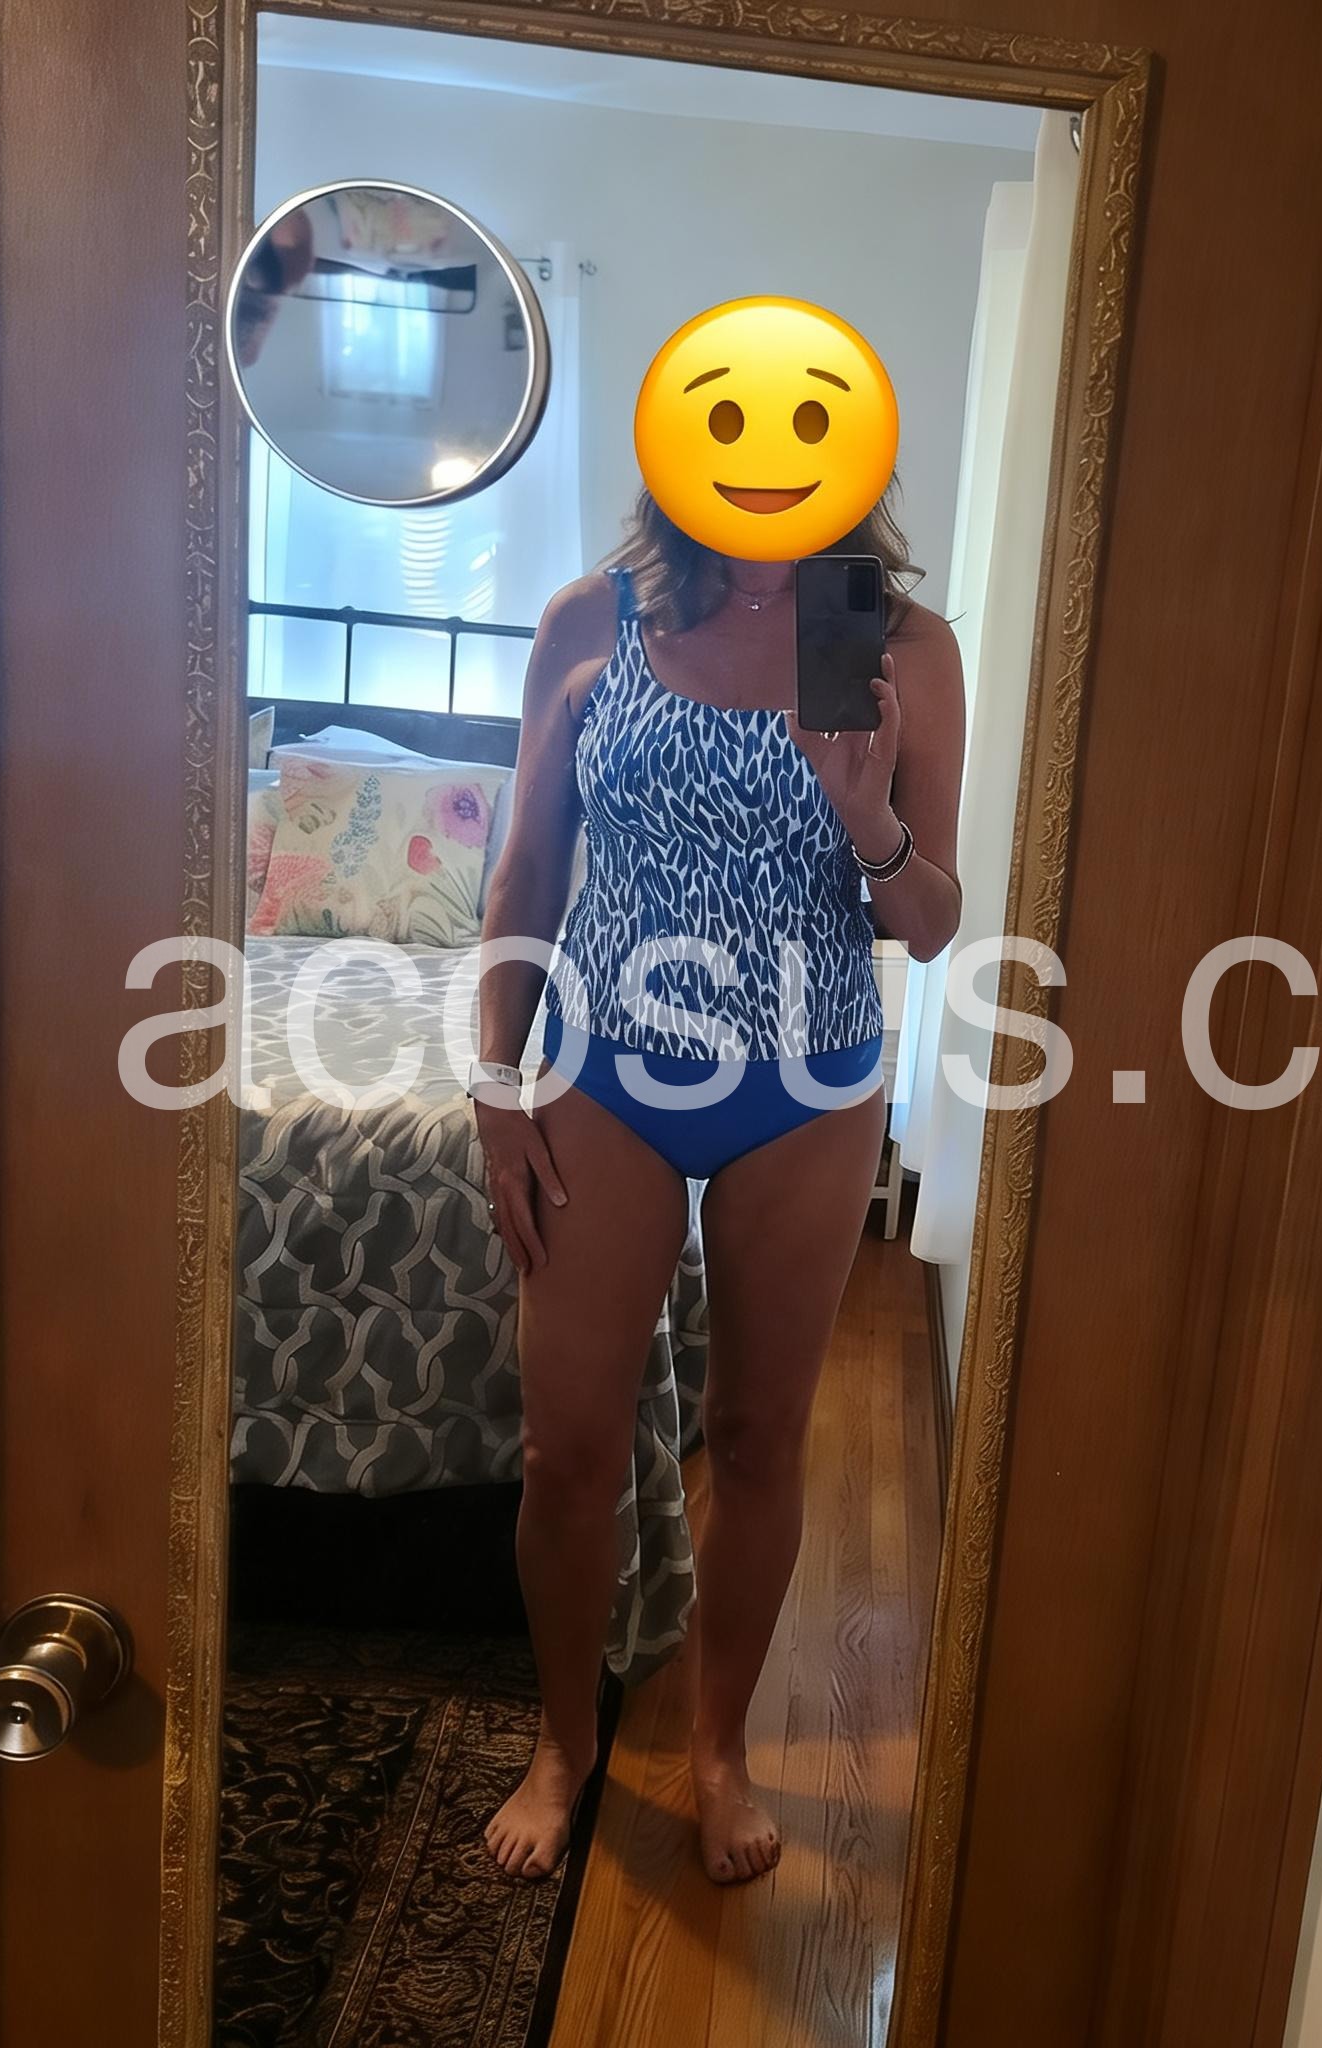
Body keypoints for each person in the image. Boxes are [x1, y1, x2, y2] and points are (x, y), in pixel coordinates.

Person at [473, 488, 964, 1884]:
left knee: (758, 1442)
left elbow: (931, 924)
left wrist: (867, 819)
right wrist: (495, 1080)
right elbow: (528, 868)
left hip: (805, 1087)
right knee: (566, 1449)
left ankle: (720, 1747)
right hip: (603, 1069)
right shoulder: (596, 619)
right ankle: (565, 1742)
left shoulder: (894, 644)